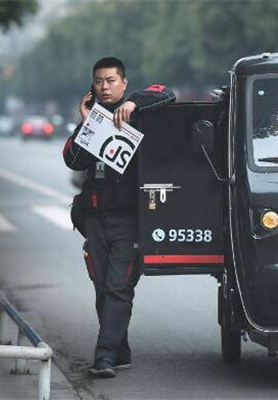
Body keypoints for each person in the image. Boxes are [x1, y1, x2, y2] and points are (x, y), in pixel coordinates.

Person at [62, 57, 175, 378]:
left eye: (111, 81)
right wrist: (87, 123)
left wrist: (135, 104)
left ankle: (105, 356)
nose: (104, 87)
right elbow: (73, 161)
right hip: (94, 221)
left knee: (118, 287)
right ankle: (119, 349)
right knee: (102, 287)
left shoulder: (138, 114)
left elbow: (168, 94)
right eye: (98, 81)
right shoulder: (92, 120)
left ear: (123, 83)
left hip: (129, 222)